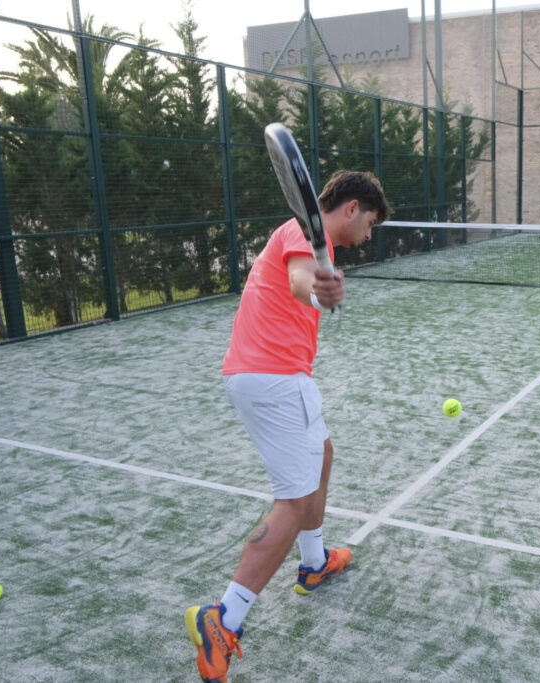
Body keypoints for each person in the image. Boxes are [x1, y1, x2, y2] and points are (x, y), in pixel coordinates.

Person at [186, 170, 391, 682]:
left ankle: (314, 561)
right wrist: (318, 290)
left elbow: (307, 283)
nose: (370, 234)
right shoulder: (304, 232)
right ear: (352, 208)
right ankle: (223, 617)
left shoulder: (313, 241)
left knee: (322, 453)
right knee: (293, 501)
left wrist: (321, 290)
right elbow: (302, 280)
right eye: (371, 222)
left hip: (282, 378)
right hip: (271, 380)